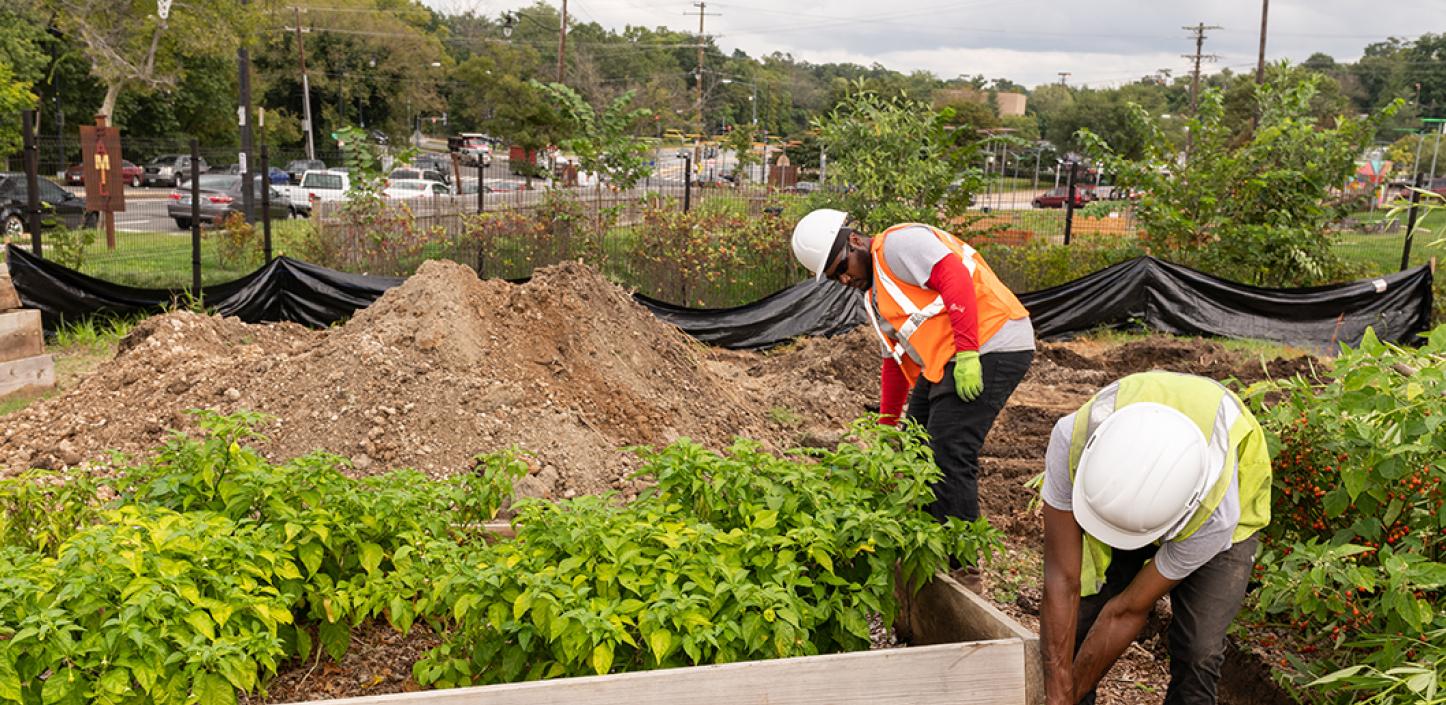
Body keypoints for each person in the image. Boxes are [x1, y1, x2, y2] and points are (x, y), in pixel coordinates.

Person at [791, 209, 1035, 588]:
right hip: (949, 358)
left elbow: (953, 275)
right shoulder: (876, 298)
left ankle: (964, 567)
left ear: (855, 241)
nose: (844, 279)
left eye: (842, 267)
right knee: (915, 446)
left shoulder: (898, 243)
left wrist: (969, 353)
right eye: (835, 278)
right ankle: (928, 548)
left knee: (949, 450)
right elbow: (895, 361)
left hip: (991, 341)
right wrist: (887, 427)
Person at [1038, 371, 1272, 705]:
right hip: (1139, 481)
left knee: (1198, 650)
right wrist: (1058, 694)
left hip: (1220, 525)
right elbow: (1062, 580)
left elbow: (1128, 609)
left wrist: (1067, 697)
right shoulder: (1071, 440)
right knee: (1082, 622)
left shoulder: (1215, 514)